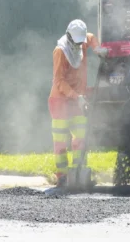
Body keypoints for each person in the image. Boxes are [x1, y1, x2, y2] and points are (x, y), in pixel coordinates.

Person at [48, 19, 108, 187]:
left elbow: (90, 37)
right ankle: (62, 177)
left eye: (81, 42)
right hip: (60, 101)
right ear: (69, 37)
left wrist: (97, 48)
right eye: (77, 42)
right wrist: (77, 96)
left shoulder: (81, 41)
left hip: (77, 101)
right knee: (60, 141)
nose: (80, 45)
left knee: (81, 137)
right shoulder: (60, 51)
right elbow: (59, 81)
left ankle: (78, 174)